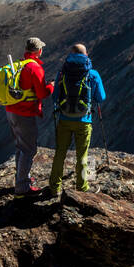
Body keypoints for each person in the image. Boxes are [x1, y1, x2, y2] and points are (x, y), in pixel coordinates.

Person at [47, 44, 107, 195]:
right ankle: (82, 187)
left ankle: (54, 187)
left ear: (71, 55)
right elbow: (101, 97)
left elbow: (55, 97)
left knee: (60, 153)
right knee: (82, 154)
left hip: (64, 120)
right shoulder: (92, 74)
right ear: (86, 55)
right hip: (84, 121)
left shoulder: (62, 73)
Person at [4, 36, 53, 195]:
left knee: (21, 146)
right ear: (38, 51)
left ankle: (21, 179)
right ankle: (22, 186)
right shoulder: (34, 68)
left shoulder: (19, 64)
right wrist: (51, 86)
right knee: (29, 149)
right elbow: (42, 92)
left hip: (11, 110)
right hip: (24, 113)